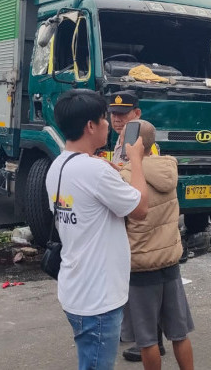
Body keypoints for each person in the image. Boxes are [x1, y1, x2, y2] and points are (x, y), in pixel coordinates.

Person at [46, 89, 148, 370]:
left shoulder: (58, 165)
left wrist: (110, 169)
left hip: (75, 288)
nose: (109, 124)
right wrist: (136, 160)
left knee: (88, 359)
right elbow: (139, 209)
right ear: (90, 126)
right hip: (99, 298)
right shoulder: (94, 171)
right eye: (104, 119)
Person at [120, 120, 194, 370]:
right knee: (179, 333)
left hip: (141, 265)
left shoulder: (126, 176)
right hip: (170, 262)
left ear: (131, 144)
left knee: (147, 339)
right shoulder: (168, 166)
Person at [106, 92, 163, 362]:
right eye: (114, 114)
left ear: (137, 115)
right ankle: (145, 335)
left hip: (144, 218)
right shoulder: (121, 140)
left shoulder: (143, 141)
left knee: (147, 281)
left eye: (124, 114)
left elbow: (146, 174)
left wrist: (113, 170)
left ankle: (153, 340)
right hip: (131, 214)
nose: (118, 119)